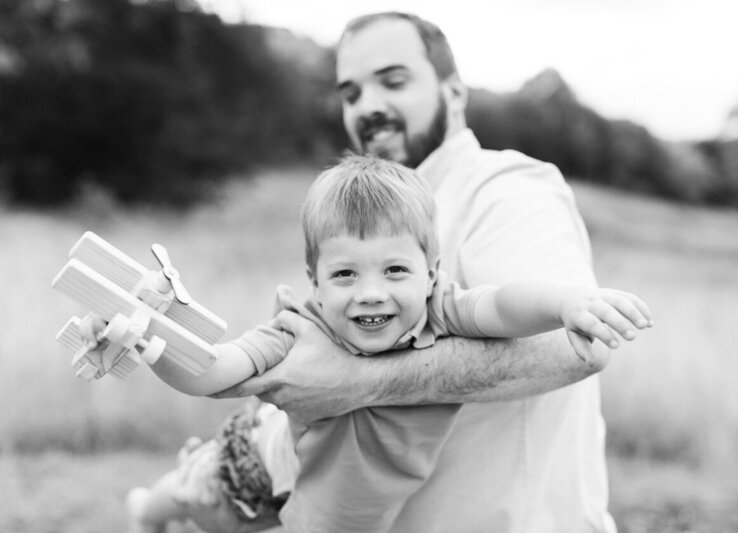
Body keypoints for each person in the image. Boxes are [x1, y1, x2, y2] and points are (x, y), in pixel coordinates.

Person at [180, 11, 640, 532]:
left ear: (454, 93)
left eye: (393, 81)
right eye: (351, 93)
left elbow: (575, 346)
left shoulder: (506, 187)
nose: (369, 107)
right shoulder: (382, 218)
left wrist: (358, 381)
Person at [122, 154, 652, 533]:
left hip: (334, 505)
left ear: (430, 273)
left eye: (395, 269)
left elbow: (504, 305)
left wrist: (567, 303)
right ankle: (146, 509)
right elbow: (213, 371)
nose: (371, 295)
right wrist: (148, 343)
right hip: (261, 460)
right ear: (315, 281)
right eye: (346, 274)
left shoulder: (441, 311)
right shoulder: (302, 329)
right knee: (196, 492)